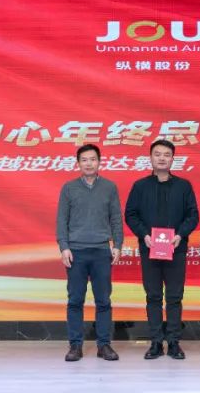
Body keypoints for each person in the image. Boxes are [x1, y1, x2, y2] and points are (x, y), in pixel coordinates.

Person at [124, 139, 199, 360]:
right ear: (150, 158)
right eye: (157, 154)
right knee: (153, 296)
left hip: (176, 249)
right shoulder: (140, 186)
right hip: (150, 249)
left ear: (173, 159)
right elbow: (131, 214)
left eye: (167, 154)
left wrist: (180, 235)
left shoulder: (184, 186)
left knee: (175, 297)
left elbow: (193, 215)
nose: (162, 158)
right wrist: (144, 235)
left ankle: (174, 342)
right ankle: (156, 342)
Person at [56, 143, 123, 362]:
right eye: (84, 160)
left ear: (99, 162)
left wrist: (117, 245)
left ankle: (104, 345)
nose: (88, 163)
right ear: (78, 163)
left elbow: (116, 218)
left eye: (93, 159)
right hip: (76, 251)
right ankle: (75, 346)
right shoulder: (69, 188)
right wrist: (64, 247)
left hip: (101, 251)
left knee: (103, 300)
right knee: (75, 300)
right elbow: (61, 220)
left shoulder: (109, 187)